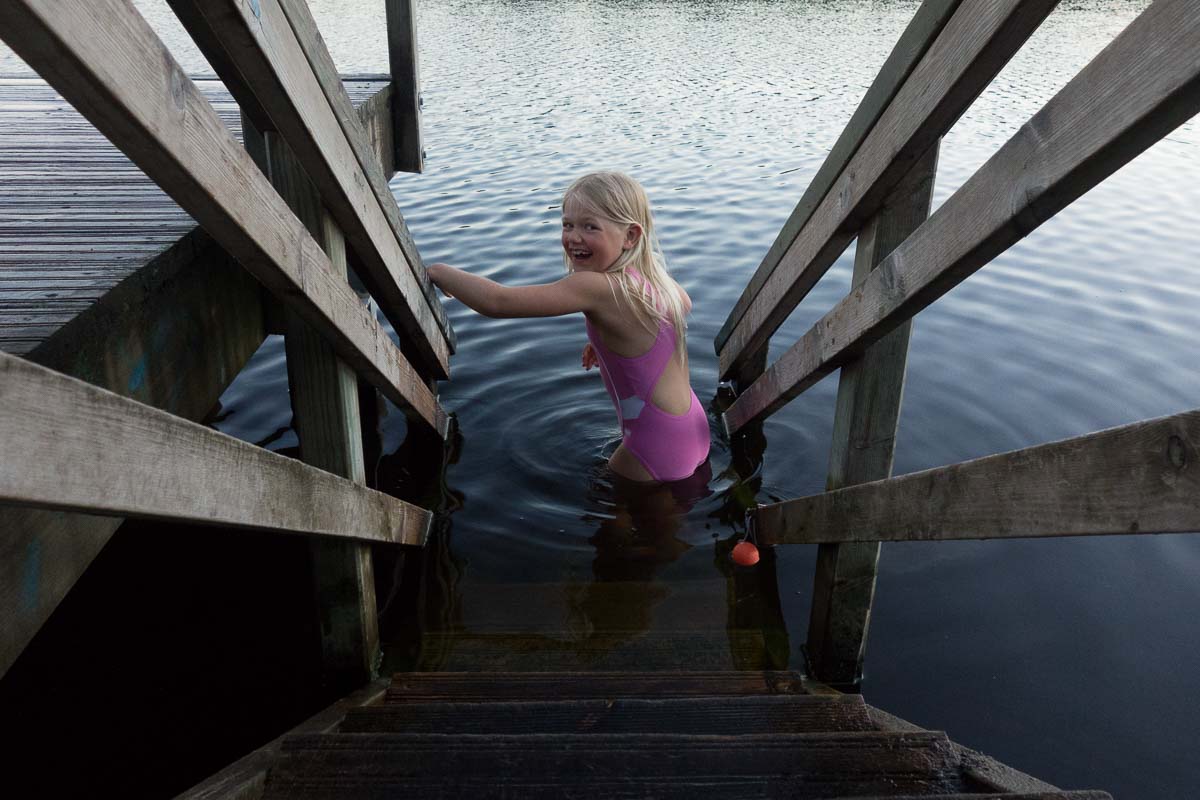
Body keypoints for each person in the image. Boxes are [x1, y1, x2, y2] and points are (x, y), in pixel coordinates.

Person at [427, 171, 710, 483]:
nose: (574, 237)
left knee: (620, 511)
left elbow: (498, 302)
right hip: (691, 427)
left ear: (630, 235)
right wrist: (608, 341)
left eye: (590, 226)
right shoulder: (651, 276)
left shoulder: (595, 286)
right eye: (567, 224)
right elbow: (682, 305)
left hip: (654, 445)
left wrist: (439, 272)